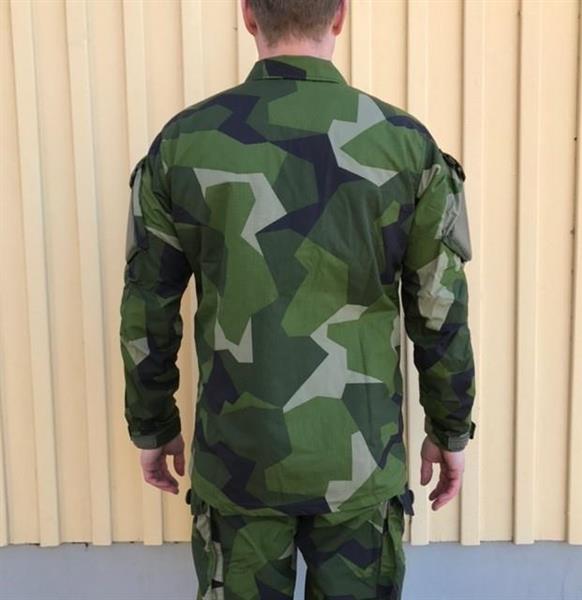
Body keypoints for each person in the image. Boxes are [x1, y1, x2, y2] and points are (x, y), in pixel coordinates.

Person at [119, 0, 476, 597]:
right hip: (359, 461)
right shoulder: (406, 147)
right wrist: (450, 429)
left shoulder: (182, 146)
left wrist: (153, 426)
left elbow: (147, 309)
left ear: (247, 15)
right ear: (340, 16)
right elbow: (440, 311)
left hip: (239, 459)